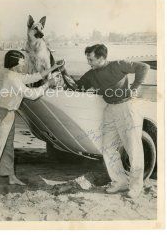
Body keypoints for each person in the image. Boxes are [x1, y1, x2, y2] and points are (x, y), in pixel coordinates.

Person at [63, 44, 149, 199]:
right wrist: (63, 72)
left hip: (126, 107)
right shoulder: (91, 74)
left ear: (101, 58)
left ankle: (136, 187)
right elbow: (77, 87)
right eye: (88, 59)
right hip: (110, 109)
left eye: (91, 59)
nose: (88, 62)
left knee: (133, 148)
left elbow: (143, 67)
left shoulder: (118, 65)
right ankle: (120, 181)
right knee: (108, 148)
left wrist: (135, 87)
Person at [0, 50, 62, 198]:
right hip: (2, 116)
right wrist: (48, 84)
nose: (24, 63)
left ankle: (10, 176)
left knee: (8, 148)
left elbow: (32, 77)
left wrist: (53, 67)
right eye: (22, 61)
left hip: (9, 115)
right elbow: (32, 94)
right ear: (15, 62)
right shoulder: (12, 79)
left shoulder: (14, 75)